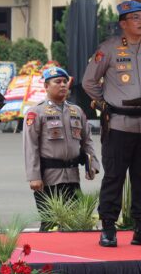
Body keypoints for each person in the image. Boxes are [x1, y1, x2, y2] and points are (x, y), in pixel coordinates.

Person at [82, 0, 141, 247]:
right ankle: (108, 228)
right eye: (136, 18)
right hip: (119, 124)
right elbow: (89, 82)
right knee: (114, 178)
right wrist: (105, 102)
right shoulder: (108, 49)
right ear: (123, 23)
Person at [23, 66, 100, 231]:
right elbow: (30, 146)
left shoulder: (76, 111)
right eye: (57, 81)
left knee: (76, 224)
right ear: (46, 86)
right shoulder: (36, 112)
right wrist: (34, 176)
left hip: (72, 177)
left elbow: (87, 141)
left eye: (65, 81)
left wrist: (92, 164)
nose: (63, 85)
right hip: (48, 179)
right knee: (50, 224)